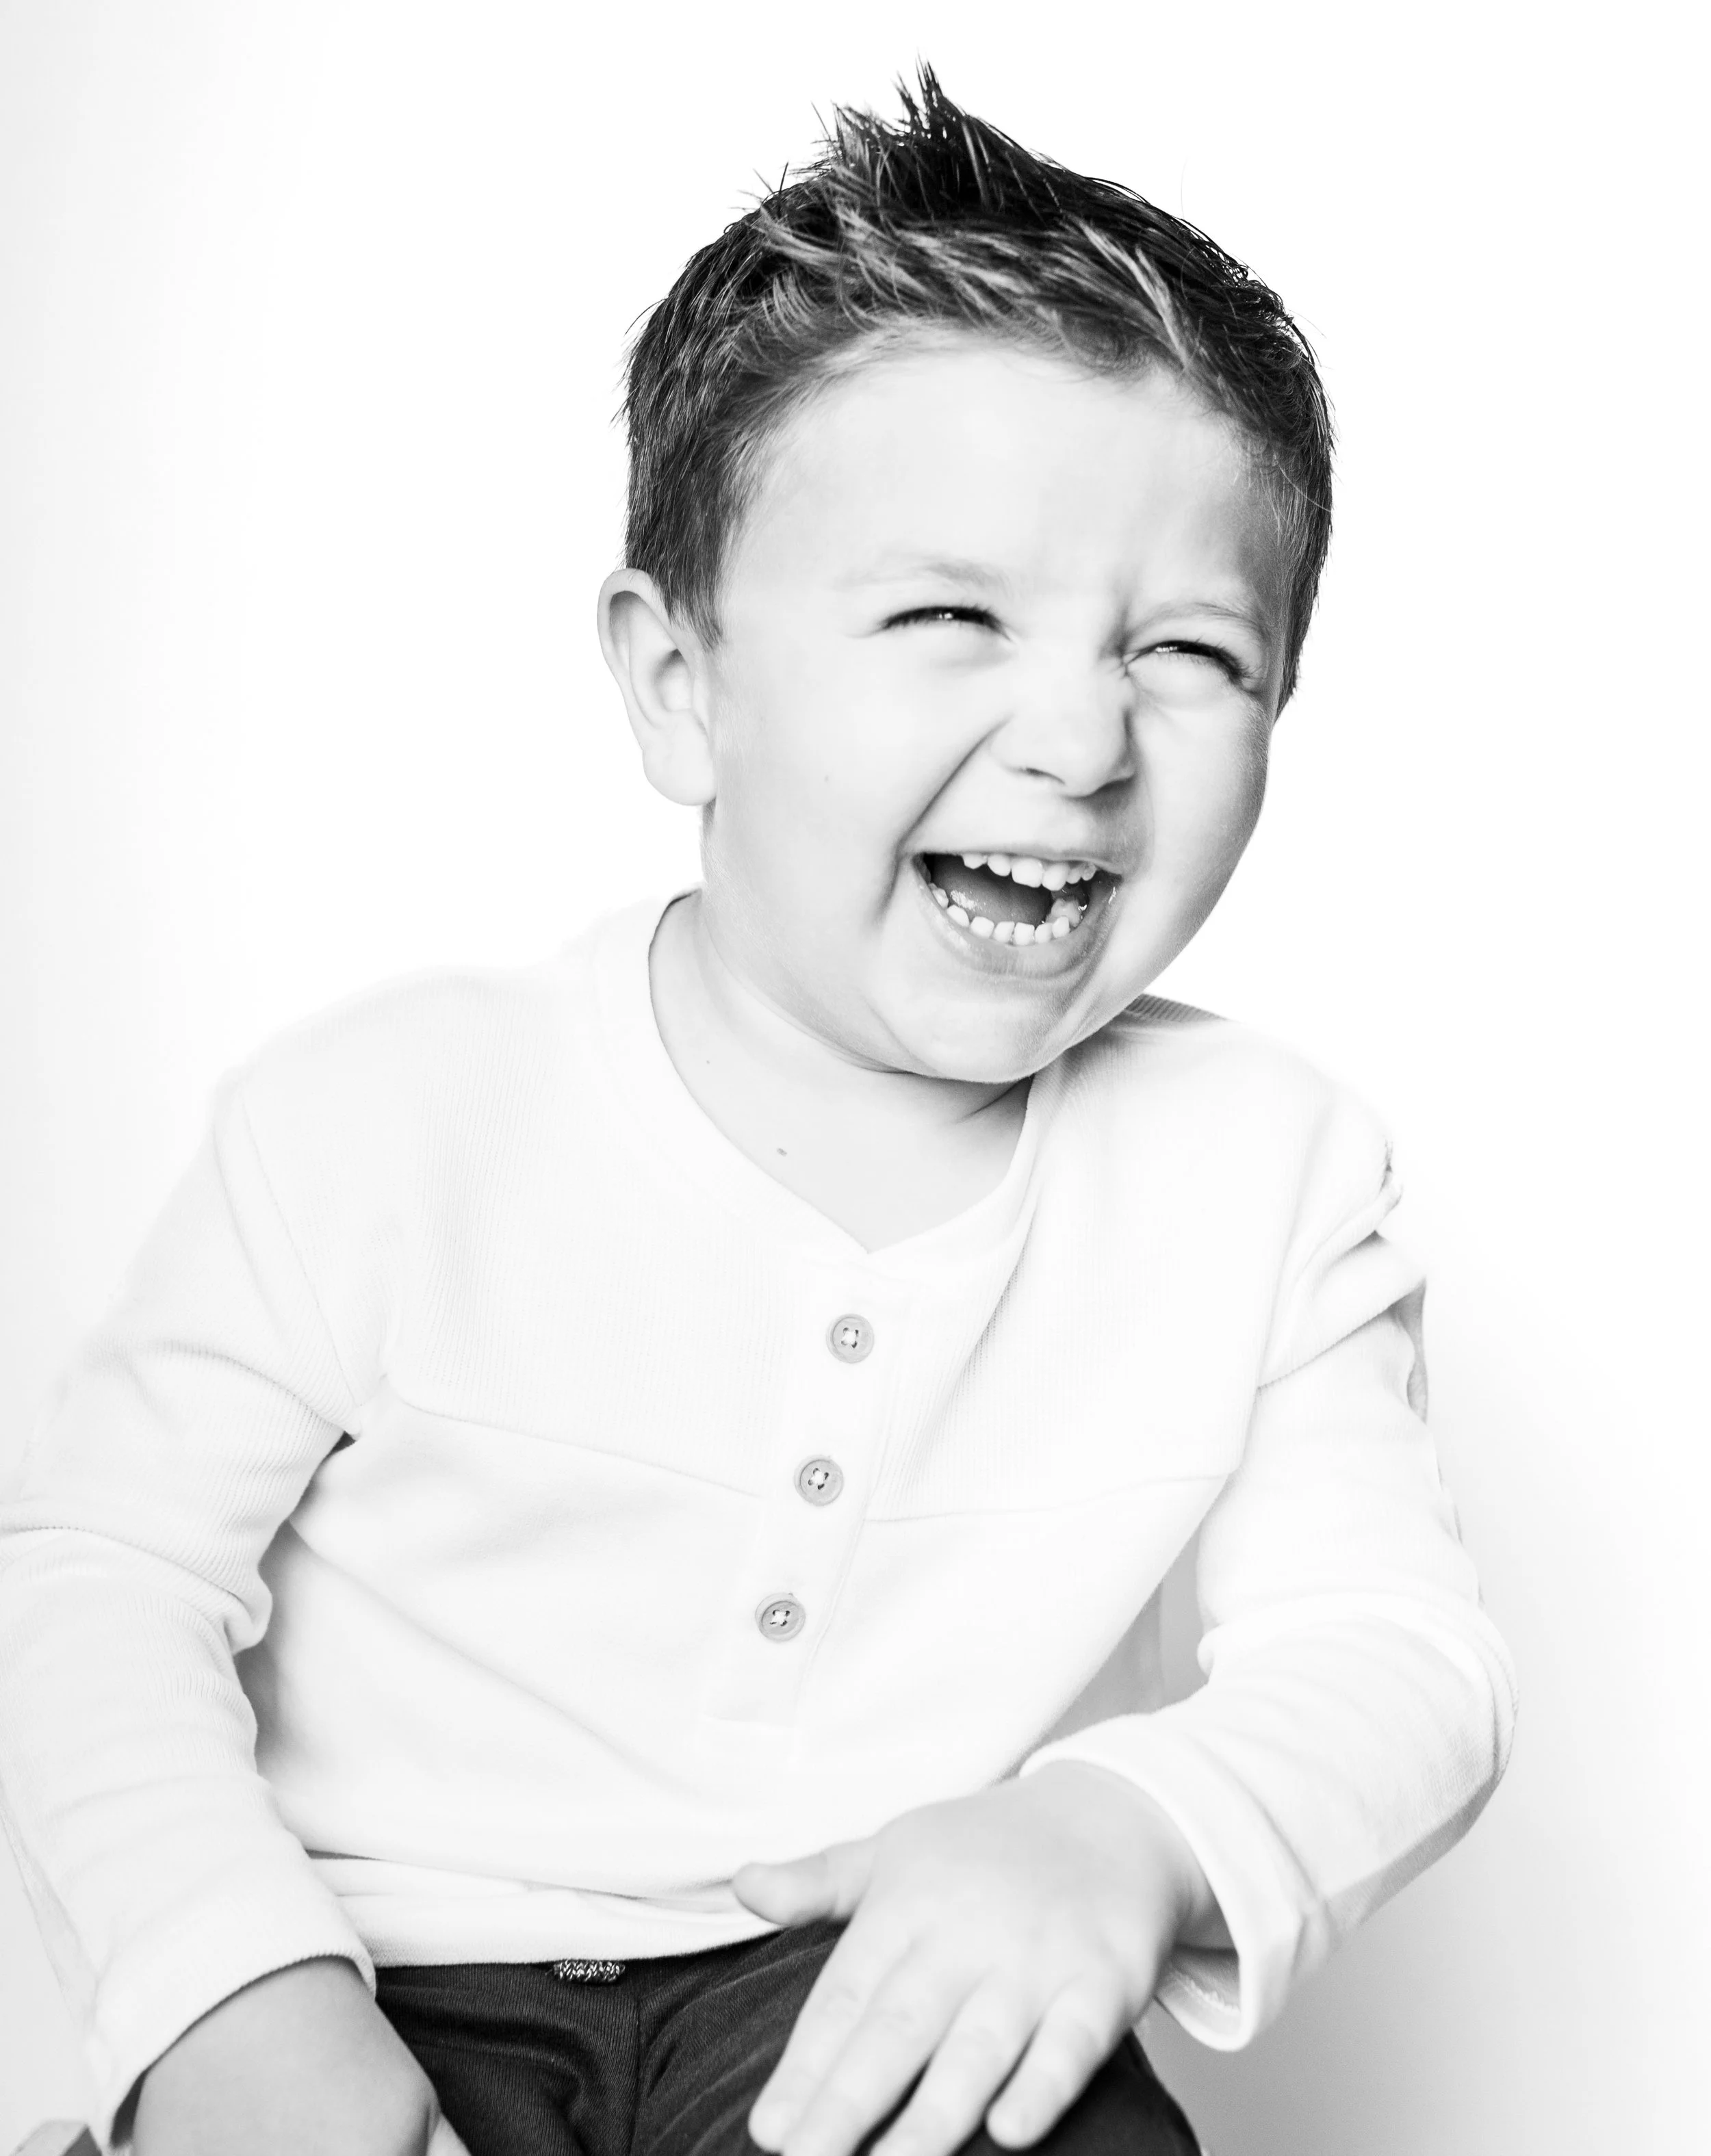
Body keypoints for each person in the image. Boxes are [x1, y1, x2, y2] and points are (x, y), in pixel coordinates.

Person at [0, 68, 1516, 2156]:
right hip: (363, 1961)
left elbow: (1392, 1648)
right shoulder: (384, 1112)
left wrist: (1119, 1827)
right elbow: (99, 1578)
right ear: (678, 679)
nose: (1080, 737)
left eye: (1187, 650)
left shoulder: (1267, 1169)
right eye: (949, 616)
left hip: (864, 1971)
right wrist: (227, 1993)